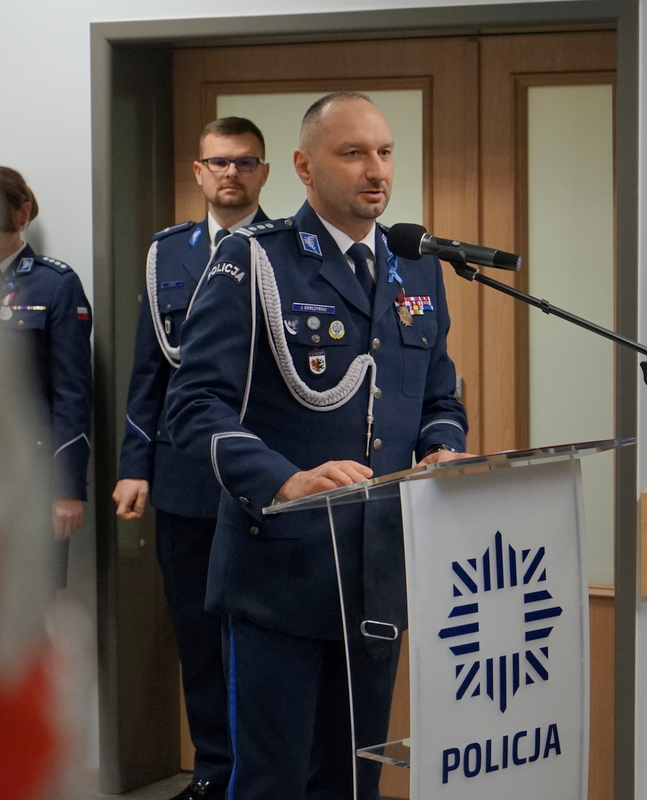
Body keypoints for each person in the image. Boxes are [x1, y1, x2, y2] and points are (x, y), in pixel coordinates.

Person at [166, 93, 471, 800]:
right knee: (273, 782)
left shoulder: (416, 267)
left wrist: (443, 448)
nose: (376, 170)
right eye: (353, 153)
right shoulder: (255, 260)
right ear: (304, 167)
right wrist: (282, 480)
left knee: (354, 779)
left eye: (385, 152)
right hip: (281, 569)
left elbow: (438, 396)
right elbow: (194, 404)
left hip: (377, 570)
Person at [112, 117, 270, 800]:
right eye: (219, 162)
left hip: (264, 477)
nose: (231, 173)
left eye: (245, 162)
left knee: (264, 636)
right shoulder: (167, 254)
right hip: (183, 478)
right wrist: (134, 465)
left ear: (265, 172)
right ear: (198, 172)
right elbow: (149, 369)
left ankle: (265, 777)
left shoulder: (283, 249)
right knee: (198, 633)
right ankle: (213, 772)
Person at [0, 163, 92, 585]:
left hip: (33, 476)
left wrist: (68, 488)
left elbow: (72, 392)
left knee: (34, 596)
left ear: (22, 213)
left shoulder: (56, 284)